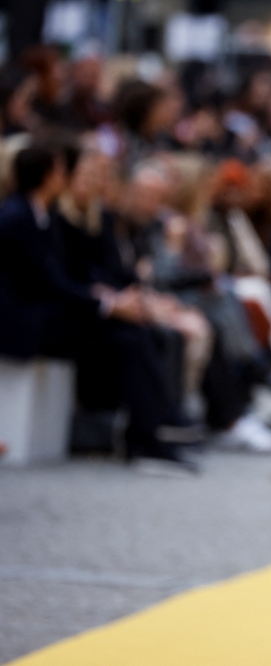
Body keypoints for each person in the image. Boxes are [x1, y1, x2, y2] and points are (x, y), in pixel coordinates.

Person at [0, 144, 200, 473]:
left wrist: (113, 303)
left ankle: (152, 433)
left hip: (44, 317)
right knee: (127, 337)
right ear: (51, 174)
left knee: (131, 334)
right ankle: (147, 437)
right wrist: (108, 305)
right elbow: (51, 284)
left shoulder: (37, 214)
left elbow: (61, 281)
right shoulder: (18, 218)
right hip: (24, 327)